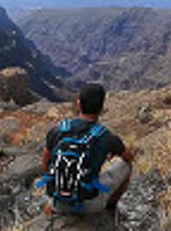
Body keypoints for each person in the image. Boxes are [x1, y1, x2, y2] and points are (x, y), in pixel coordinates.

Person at [40, 83, 134, 215]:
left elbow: (44, 162)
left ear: (78, 104)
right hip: (90, 205)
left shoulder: (58, 130)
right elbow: (129, 158)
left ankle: (53, 212)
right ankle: (110, 208)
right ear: (101, 109)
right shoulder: (106, 137)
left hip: (57, 202)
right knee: (127, 166)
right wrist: (111, 151)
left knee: (52, 203)